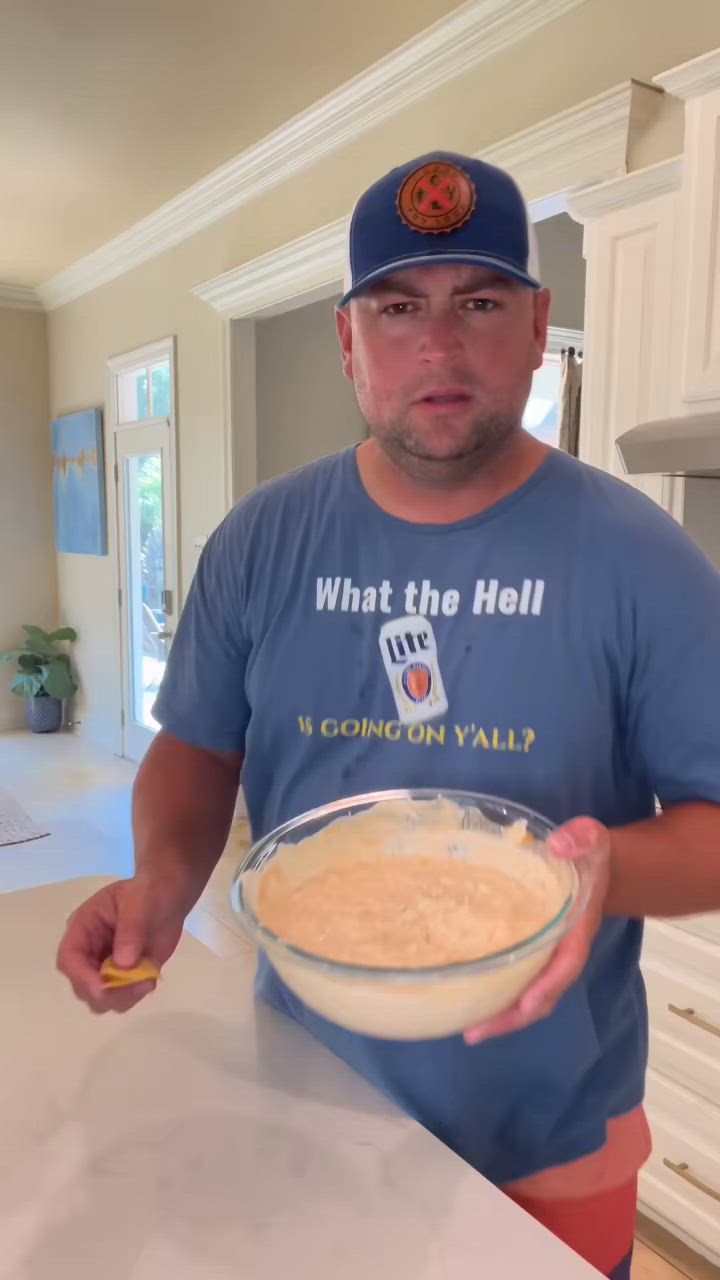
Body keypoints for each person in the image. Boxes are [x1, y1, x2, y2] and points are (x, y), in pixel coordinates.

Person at [57, 151, 720, 1279]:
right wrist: (163, 880)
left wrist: (607, 866)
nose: (441, 345)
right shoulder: (261, 541)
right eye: (400, 305)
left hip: (551, 1140)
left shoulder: (642, 558)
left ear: (537, 319)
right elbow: (196, 746)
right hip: (301, 1090)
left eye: (481, 302)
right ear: (348, 336)